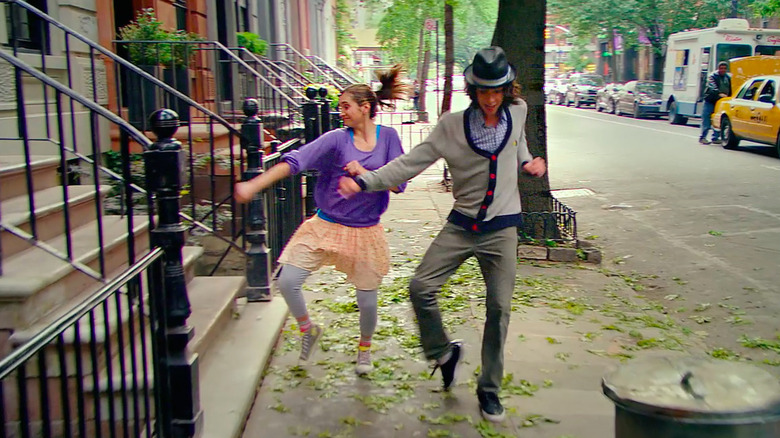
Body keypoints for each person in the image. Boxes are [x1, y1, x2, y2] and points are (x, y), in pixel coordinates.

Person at [338, 46, 547, 423]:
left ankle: (489, 390)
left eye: (497, 90)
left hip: (502, 229)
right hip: (462, 225)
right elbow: (408, 163)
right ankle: (444, 352)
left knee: (499, 308)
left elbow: (519, 148)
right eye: (484, 91)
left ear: (507, 89)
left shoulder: (518, 111)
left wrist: (530, 162)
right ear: (473, 90)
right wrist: (367, 181)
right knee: (420, 287)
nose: (491, 98)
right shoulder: (450, 126)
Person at [234, 66, 409, 375]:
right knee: (288, 281)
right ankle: (308, 329)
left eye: (345, 106)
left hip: (365, 230)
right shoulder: (336, 140)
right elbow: (294, 162)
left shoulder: (389, 138)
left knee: (367, 301)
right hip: (325, 224)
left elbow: (398, 184)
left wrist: (363, 175)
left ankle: (364, 350)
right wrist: (254, 185)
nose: (340, 112)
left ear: (365, 108)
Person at [700, 61, 731, 145]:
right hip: (710, 100)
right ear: (718, 68)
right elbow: (712, 86)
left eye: (724, 68)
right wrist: (718, 93)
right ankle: (702, 137)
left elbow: (730, 88)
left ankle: (715, 137)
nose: (723, 70)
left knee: (718, 120)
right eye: (721, 68)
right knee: (706, 119)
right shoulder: (712, 76)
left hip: (720, 102)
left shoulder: (727, 78)